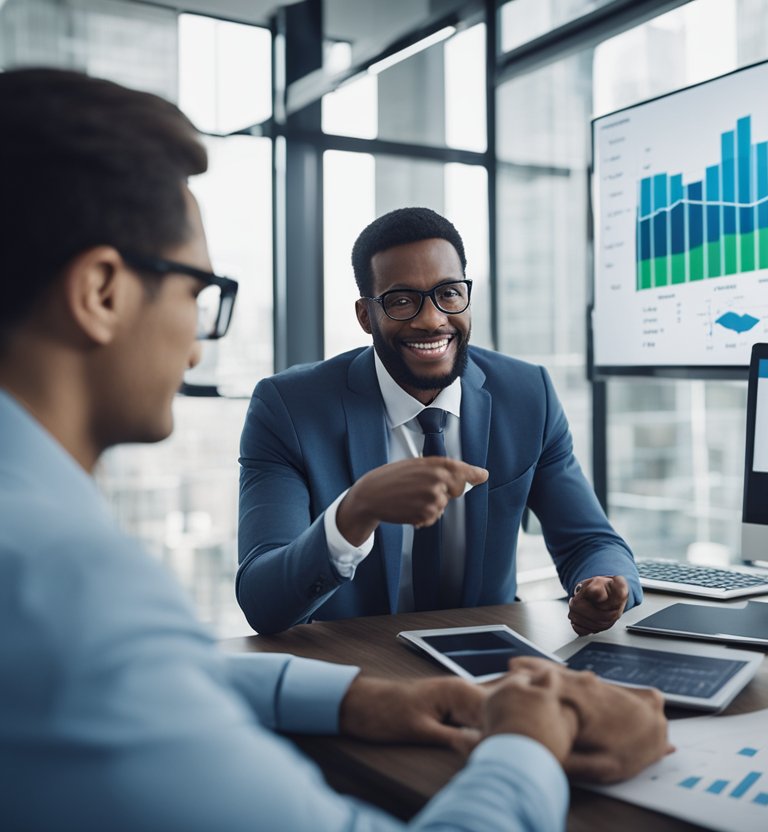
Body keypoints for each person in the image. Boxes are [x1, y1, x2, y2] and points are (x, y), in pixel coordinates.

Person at [0, 67, 668, 831]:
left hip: (447, 687)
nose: (194, 347)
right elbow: (227, 613)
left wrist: (362, 698)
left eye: (450, 293)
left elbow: (154, 676)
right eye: (196, 291)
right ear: (101, 294)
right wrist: (528, 748)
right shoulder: (66, 583)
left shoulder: (526, 392)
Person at [236, 207, 641, 636]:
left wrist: (604, 587)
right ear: (365, 315)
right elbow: (264, 601)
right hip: (356, 672)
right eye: (402, 300)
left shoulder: (527, 394)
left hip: (489, 665)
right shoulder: (289, 408)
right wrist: (355, 511)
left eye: (448, 293)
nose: (431, 320)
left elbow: (590, 541)